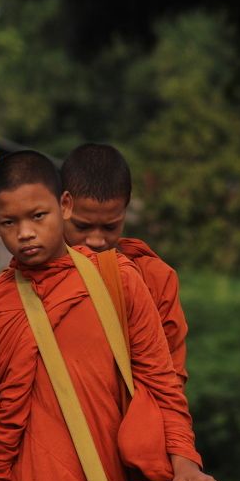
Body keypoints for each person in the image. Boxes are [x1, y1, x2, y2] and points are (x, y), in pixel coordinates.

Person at [0, 150, 230, 481]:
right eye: (10, 223)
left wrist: (185, 463)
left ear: (63, 207)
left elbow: (162, 385)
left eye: (38, 216)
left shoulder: (122, 281)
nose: (25, 234)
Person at [61, 143, 189, 387]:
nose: (96, 240)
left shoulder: (154, 279)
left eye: (110, 227)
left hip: (134, 420)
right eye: (82, 226)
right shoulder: (34, 277)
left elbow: (170, 380)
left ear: (125, 211)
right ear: (62, 205)